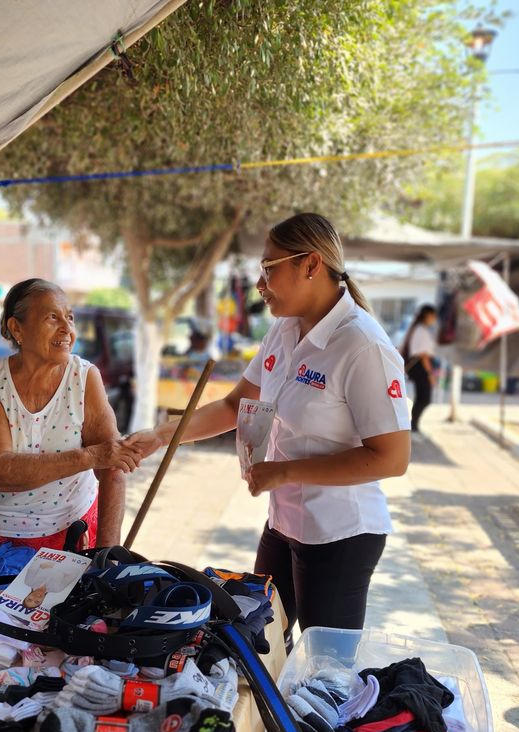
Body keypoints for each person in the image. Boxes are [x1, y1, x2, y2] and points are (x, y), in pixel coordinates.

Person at [128, 213, 411, 651]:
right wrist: (161, 435)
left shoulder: (362, 346)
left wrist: (283, 471)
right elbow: (233, 405)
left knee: (325, 671)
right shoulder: (283, 329)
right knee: (259, 642)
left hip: (340, 534)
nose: (260, 284)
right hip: (285, 522)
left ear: (311, 265)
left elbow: (391, 458)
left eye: (268, 268)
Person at [0, 278, 142, 564]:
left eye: (70, 317)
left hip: (68, 532)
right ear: (17, 328)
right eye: (52, 317)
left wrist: (106, 558)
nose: (67, 329)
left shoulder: (84, 378)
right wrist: (92, 456)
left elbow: (112, 468)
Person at [401, 304, 438, 434]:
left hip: (419, 366)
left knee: (422, 397)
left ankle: (414, 424)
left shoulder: (418, 329)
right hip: (420, 366)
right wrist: (430, 374)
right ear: (428, 315)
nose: (435, 318)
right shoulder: (421, 330)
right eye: (434, 315)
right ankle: (413, 424)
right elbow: (423, 355)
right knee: (424, 398)